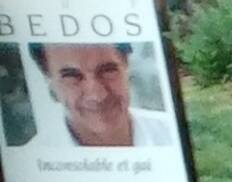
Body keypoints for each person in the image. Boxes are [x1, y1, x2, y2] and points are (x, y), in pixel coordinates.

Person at [24, 32, 180, 158]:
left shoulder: (172, 133)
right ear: (49, 82)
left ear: (126, 66)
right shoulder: (30, 160)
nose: (97, 95)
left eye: (108, 70)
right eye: (72, 76)